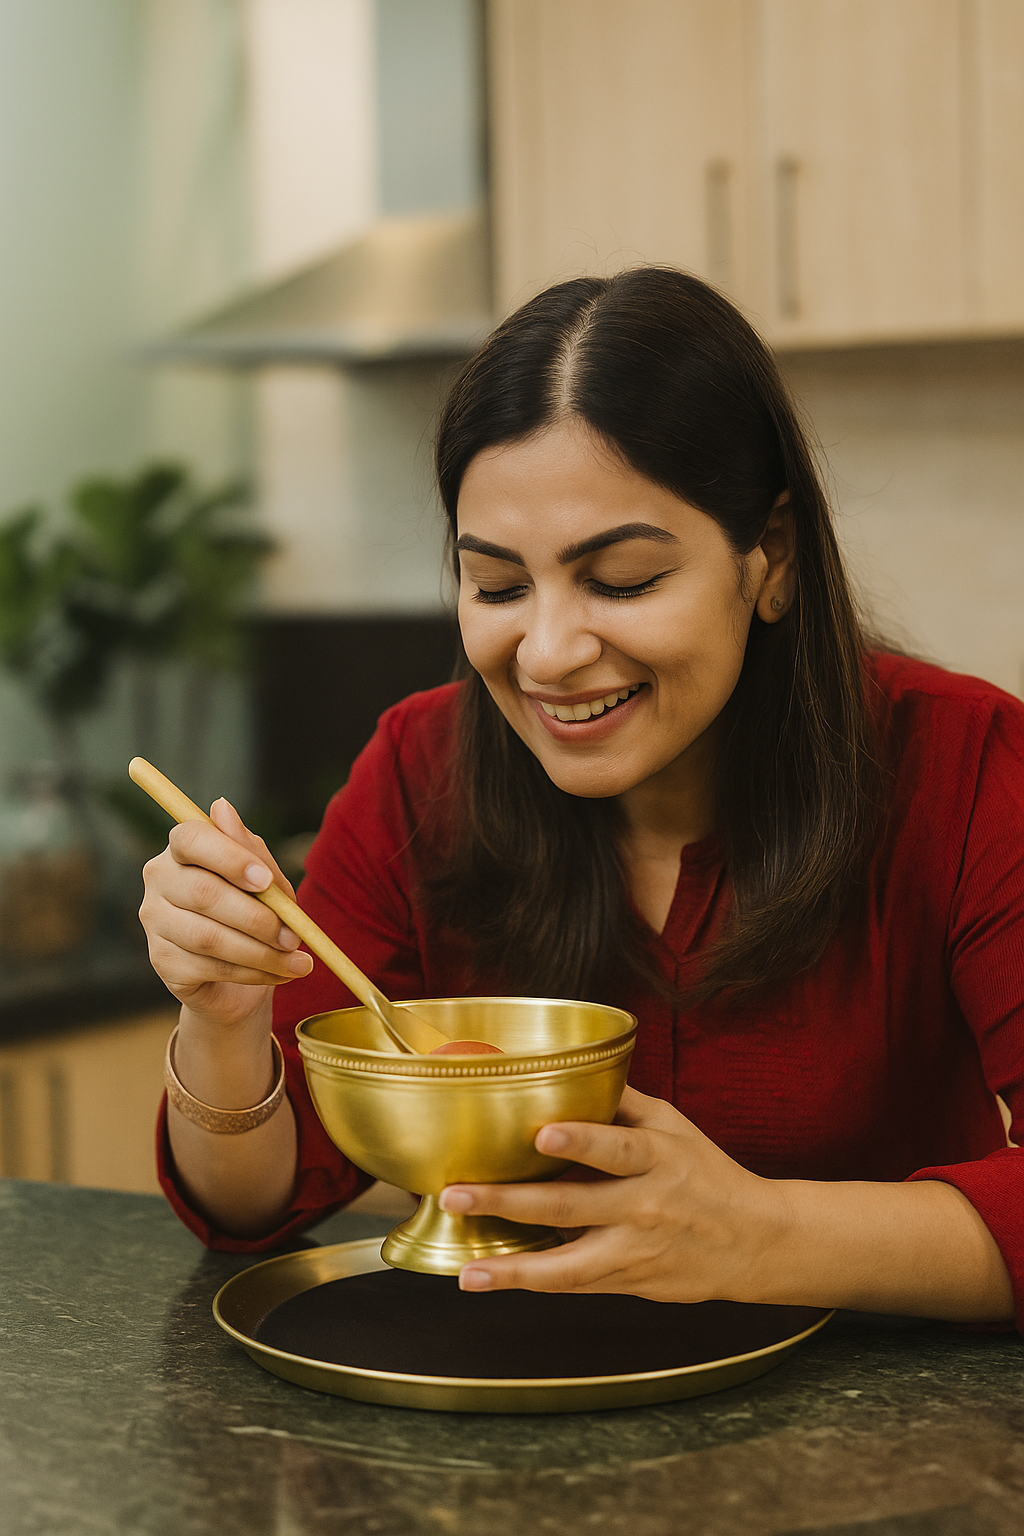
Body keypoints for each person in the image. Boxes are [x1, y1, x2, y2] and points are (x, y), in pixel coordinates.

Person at [140, 268, 1024, 1326]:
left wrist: (759, 1236)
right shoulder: (419, 769)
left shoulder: (967, 765)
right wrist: (224, 1021)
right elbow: (252, 1205)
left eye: (623, 579)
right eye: (498, 587)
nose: (550, 653)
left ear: (769, 557)